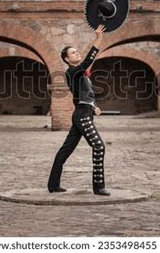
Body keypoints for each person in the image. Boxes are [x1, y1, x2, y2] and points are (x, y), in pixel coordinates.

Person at [47, 24, 110, 196]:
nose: (77, 53)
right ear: (67, 59)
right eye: (73, 53)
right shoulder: (73, 72)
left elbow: (85, 95)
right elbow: (89, 60)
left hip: (83, 113)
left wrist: (94, 106)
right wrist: (98, 38)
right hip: (82, 116)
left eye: (77, 51)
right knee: (99, 146)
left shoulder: (81, 75)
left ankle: (53, 185)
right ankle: (99, 187)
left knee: (65, 150)